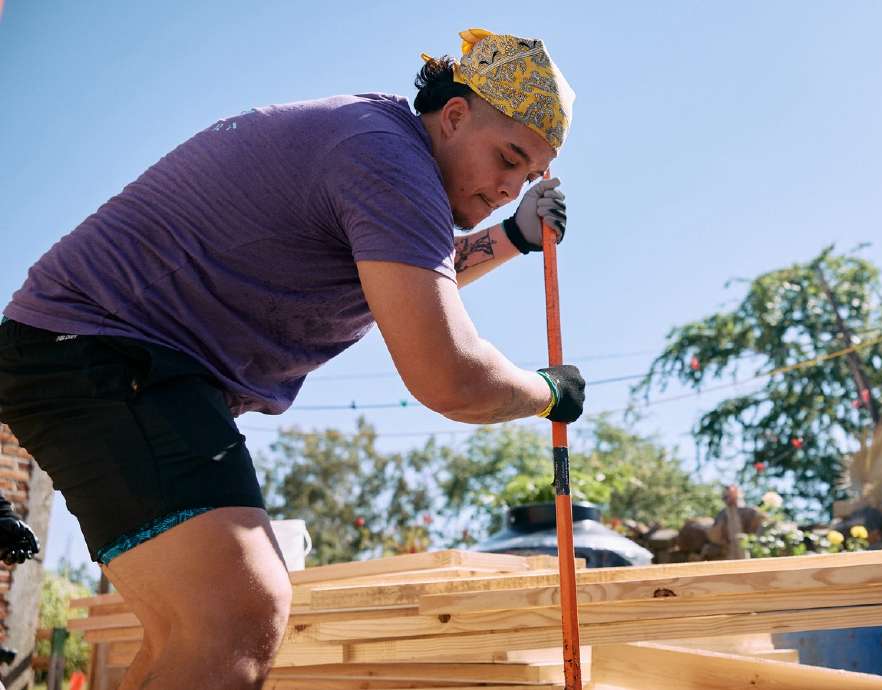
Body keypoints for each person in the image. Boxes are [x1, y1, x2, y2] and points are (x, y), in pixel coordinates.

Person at [0, 28, 584, 690]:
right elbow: (449, 377)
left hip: (102, 359)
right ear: (453, 116)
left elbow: (412, 273)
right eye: (508, 158)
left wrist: (512, 237)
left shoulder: (383, 149)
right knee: (237, 615)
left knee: (191, 637)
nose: (513, 186)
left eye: (530, 175)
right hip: (107, 355)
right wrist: (545, 391)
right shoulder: (388, 162)